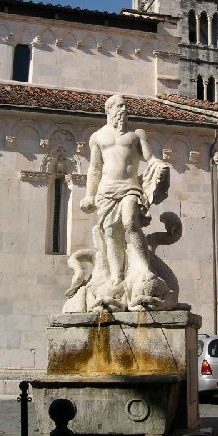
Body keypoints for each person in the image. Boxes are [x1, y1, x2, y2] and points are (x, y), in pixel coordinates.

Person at [80, 94, 169, 310]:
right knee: (111, 234)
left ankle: (145, 268)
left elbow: (149, 157)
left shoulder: (136, 135)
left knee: (130, 222)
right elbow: (95, 169)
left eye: (125, 106)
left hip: (130, 188)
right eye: (119, 106)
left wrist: (159, 165)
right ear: (108, 110)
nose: (123, 109)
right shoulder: (97, 137)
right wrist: (89, 195)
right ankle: (116, 277)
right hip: (106, 191)